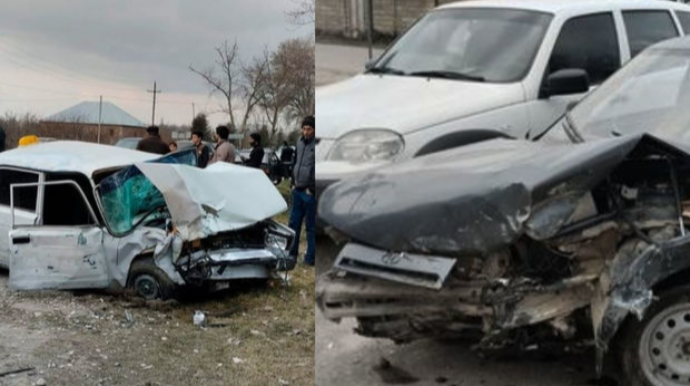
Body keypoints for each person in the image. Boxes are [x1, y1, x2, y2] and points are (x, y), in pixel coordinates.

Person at [288, 116, 315, 266]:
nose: (306, 132)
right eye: (304, 128)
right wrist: (293, 181)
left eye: (309, 129)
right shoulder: (298, 142)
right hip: (297, 191)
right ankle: (291, 254)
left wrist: (312, 189)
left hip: (309, 193)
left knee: (310, 228)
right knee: (293, 224)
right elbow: (295, 162)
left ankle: (310, 259)